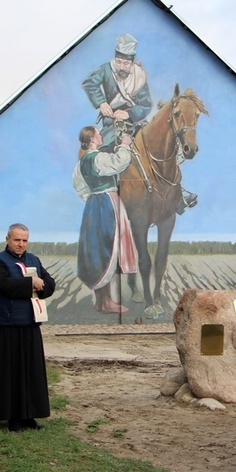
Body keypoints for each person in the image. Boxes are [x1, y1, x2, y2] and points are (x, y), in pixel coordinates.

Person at [0, 223, 55, 432]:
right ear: (7, 239)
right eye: (17, 240)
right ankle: (13, 417)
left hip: (31, 322)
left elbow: (49, 283)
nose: (21, 244)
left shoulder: (33, 259)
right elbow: (4, 285)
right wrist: (30, 284)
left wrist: (40, 285)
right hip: (9, 325)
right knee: (12, 373)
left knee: (31, 371)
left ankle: (30, 416)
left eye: (24, 240)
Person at [73, 125, 137, 313]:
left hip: (93, 205)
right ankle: (106, 302)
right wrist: (124, 145)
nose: (101, 136)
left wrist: (93, 198)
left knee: (99, 251)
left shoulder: (81, 163)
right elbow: (119, 163)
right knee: (109, 249)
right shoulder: (98, 158)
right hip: (107, 204)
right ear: (92, 139)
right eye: (98, 134)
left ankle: (102, 301)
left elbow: (79, 186)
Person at [82, 33, 152, 151]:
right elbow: (89, 83)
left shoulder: (139, 77)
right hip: (112, 123)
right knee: (105, 148)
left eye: (126, 64)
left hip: (135, 122)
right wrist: (102, 103)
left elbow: (146, 105)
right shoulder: (106, 69)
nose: (121, 67)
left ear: (132, 63)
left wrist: (129, 114)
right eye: (118, 62)